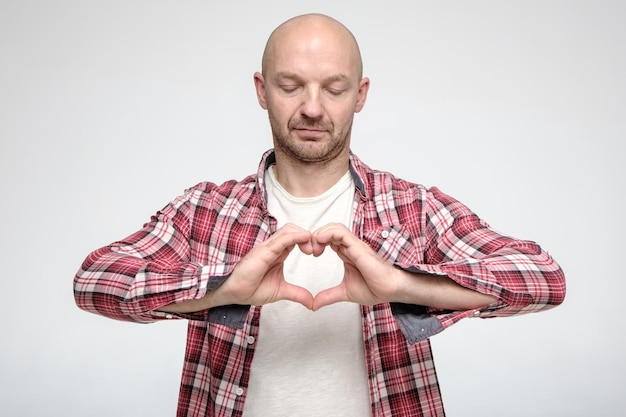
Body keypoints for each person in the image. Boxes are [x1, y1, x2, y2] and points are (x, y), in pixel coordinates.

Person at [74, 13, 566, 417]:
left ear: (361, 94)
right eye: (291, 85)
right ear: (261, 90)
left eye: (334, 88)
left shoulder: (412, 209)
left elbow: (543, 279)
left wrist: (401, 286)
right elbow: (94, 281)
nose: (312, 108)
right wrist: (225, 291)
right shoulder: (206, 210)